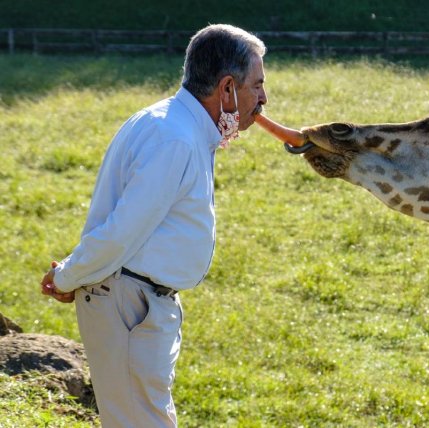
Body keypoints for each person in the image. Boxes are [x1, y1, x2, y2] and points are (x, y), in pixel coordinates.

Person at [39, 24, 267, 427]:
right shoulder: (175, 139)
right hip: (130, 304)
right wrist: (67, 278)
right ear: (227, 88)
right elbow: (120, 232)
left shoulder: (169, 122)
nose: (264, 99)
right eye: (258, 85)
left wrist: (73, 275)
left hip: (138, 303)